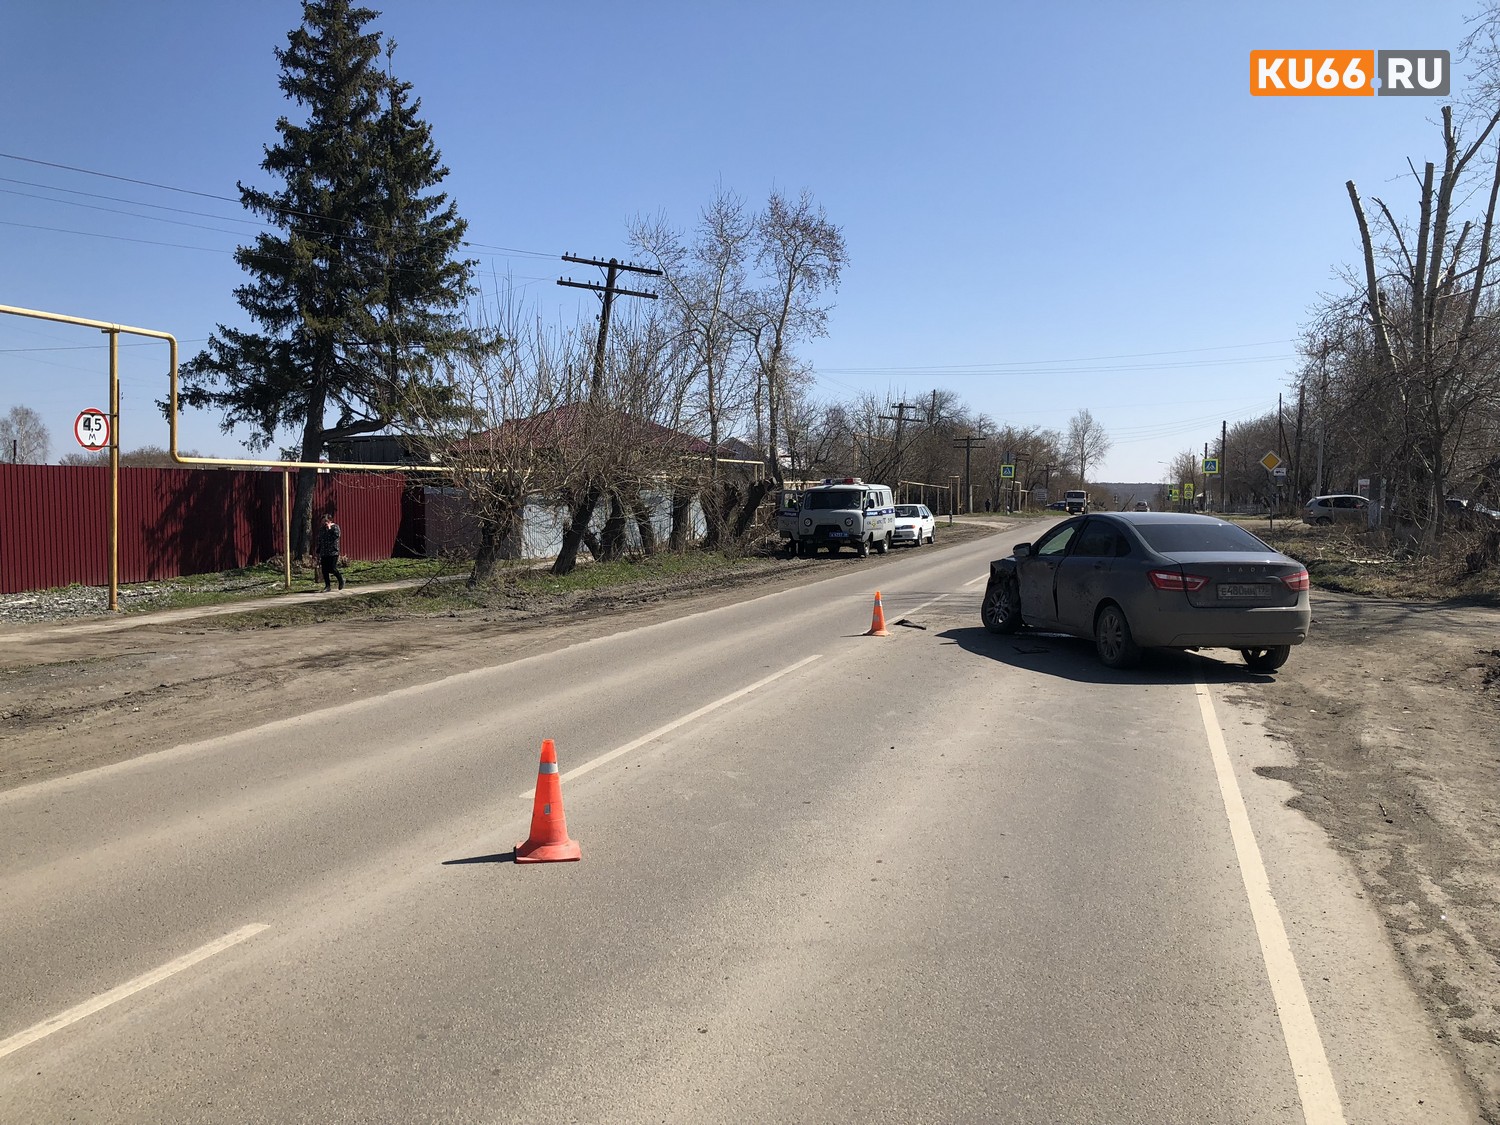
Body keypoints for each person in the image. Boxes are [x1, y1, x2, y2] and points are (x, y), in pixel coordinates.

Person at [316, 513, 344, 591]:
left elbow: (336, 536)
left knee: (332, 568)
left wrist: (330, 529)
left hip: (333, 552)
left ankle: (341, 579)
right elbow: (320, 539)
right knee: (324, 569)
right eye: (323, 521)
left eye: (326, 521)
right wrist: (318, 549)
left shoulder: (335, 527)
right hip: (324, 552)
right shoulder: (321, 529)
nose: (324, 523)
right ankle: (327, 586)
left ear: (330, 521)